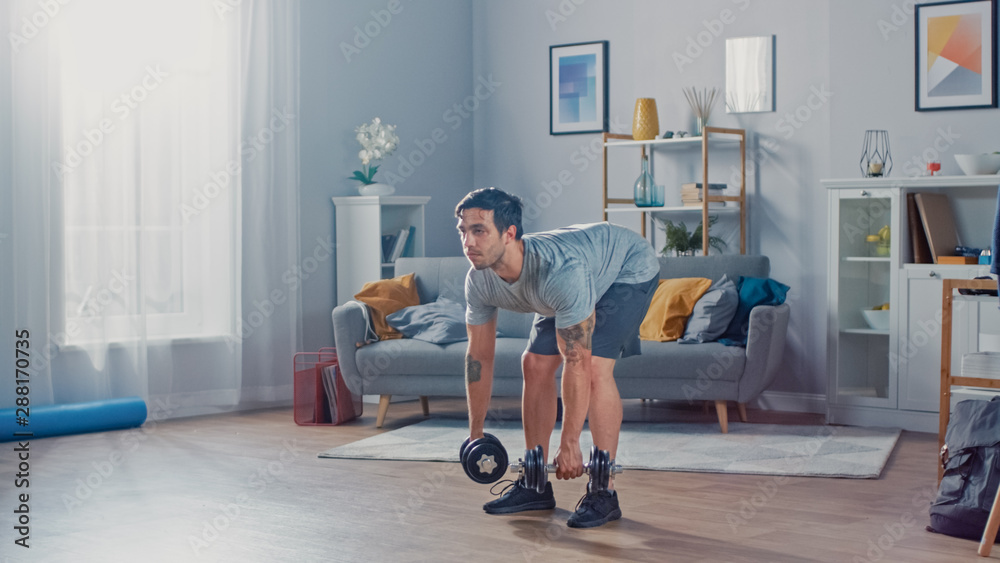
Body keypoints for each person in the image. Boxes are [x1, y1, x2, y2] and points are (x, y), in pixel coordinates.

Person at [456, 187, 659, 528]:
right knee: (533, 363)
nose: (468, 242)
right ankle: (535, 484)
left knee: (594, 368)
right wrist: (475, 433)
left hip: (626, 270)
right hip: (566, 287)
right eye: (463, 231)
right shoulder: (479, 281)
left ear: (509, 234)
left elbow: (575, 361)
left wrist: (570, 443)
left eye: (479, 231)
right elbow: (479, 357)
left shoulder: (559, 271)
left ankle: (603, 491)